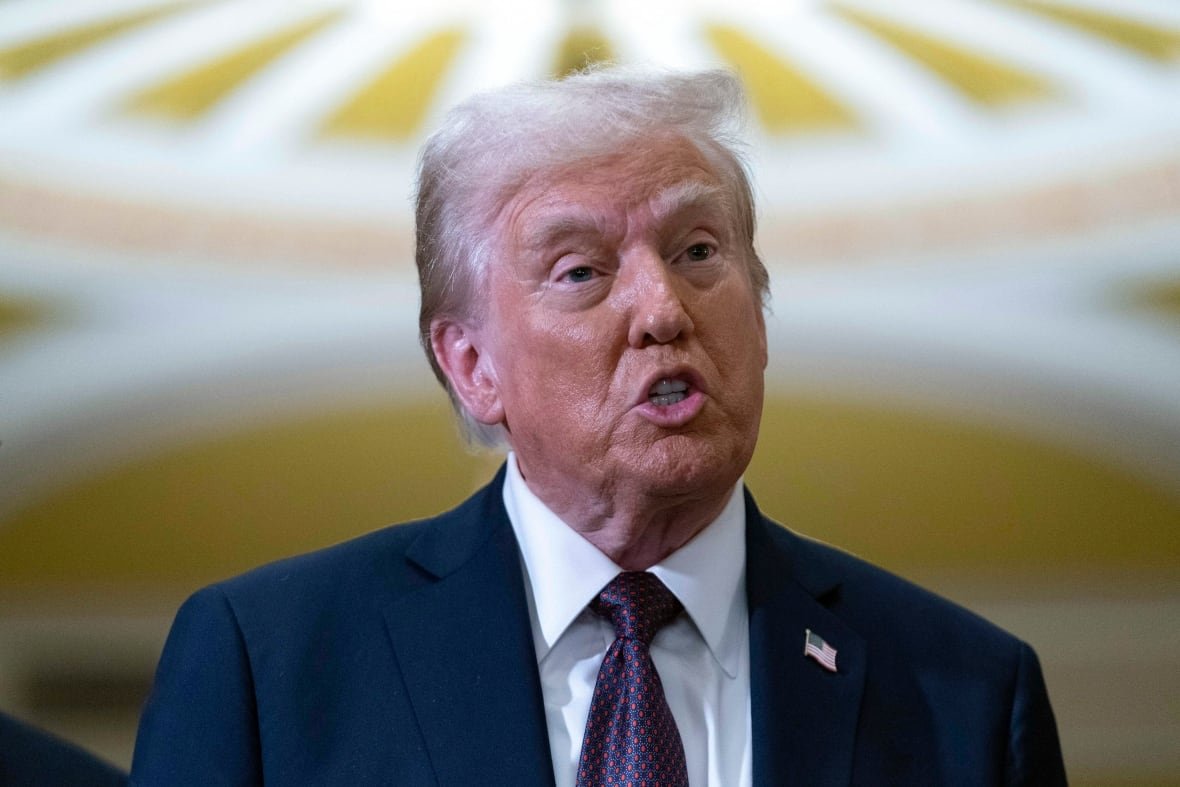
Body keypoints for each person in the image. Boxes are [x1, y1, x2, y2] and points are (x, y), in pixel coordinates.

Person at [130, 67, 1067, 785]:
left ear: (762, 315)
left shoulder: (969, 694)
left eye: (699, 250)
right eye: (581, 271)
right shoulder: (269, 663)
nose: (663, 308)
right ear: (471, 364)